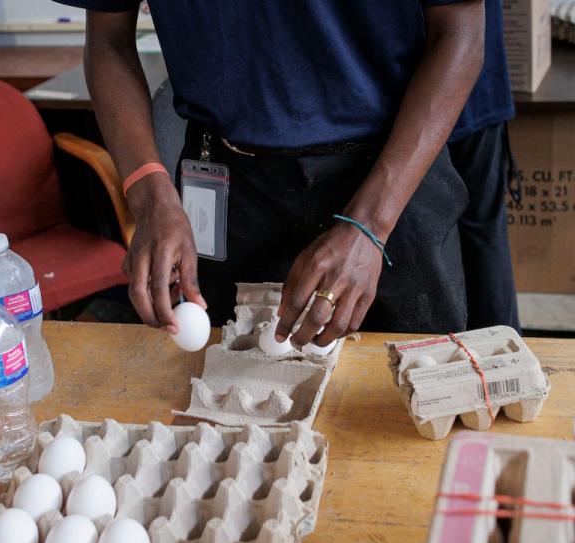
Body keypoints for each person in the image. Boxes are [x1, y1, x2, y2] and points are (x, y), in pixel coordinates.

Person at [61, 1, 486, 348]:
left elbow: (460, 31)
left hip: (391, 177)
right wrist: (150, 194)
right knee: (227, 403)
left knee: (411, 401)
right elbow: (108, 40)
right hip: (228, 182)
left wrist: (370, 225)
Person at [448, 0, 521, 331]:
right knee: (481, 234)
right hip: (471, 85)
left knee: (479, 235)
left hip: (458, 81)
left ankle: (503, 364)